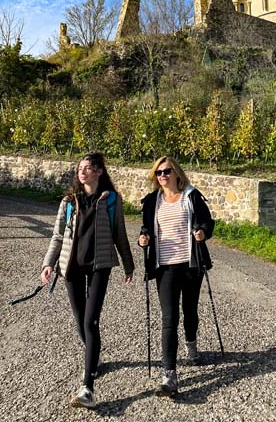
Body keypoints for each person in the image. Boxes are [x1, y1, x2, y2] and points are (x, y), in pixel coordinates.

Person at [41, 152, 135, 409]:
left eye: (88, 168)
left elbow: (120, 234)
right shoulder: (69, 201)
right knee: (80, 320)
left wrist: (129, 265)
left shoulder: (112, 200)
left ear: (99, 172)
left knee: (91, 321)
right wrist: (48, 263)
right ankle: (93, 358)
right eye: (80, 168)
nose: (82, 171)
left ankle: (88, 387)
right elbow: (57, 237)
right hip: (71, 268)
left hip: (99, 267)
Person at [139, 155, 214, 397]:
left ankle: (191, 344)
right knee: (169, 318)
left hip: (191, 264)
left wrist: (202, 231)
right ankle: (169, 375)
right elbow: (146, 227)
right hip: (165, 267)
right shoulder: (152, 201)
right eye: (158, 173)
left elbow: (207, 221)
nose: (162, 176)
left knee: (190, 311)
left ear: (177, 173)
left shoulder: (191, 196)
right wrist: (144, 238)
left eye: (167, 171)